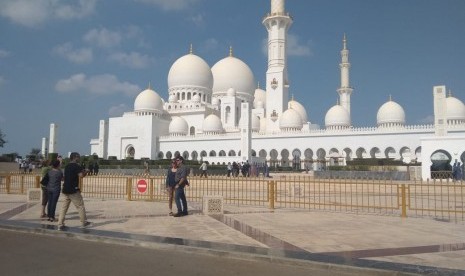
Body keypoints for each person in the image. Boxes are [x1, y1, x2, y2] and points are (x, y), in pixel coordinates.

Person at [57, 152, 91, 230]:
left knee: (64, 208)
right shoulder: (76, 166)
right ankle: (84, 222)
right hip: (73, 190)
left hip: (65, 189)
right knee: (80, 206)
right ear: (75, 157)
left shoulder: (67, 166)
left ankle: (60, 223)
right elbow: (81, 175)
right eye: (78, 157)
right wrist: (86, 171)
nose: (79, 158)